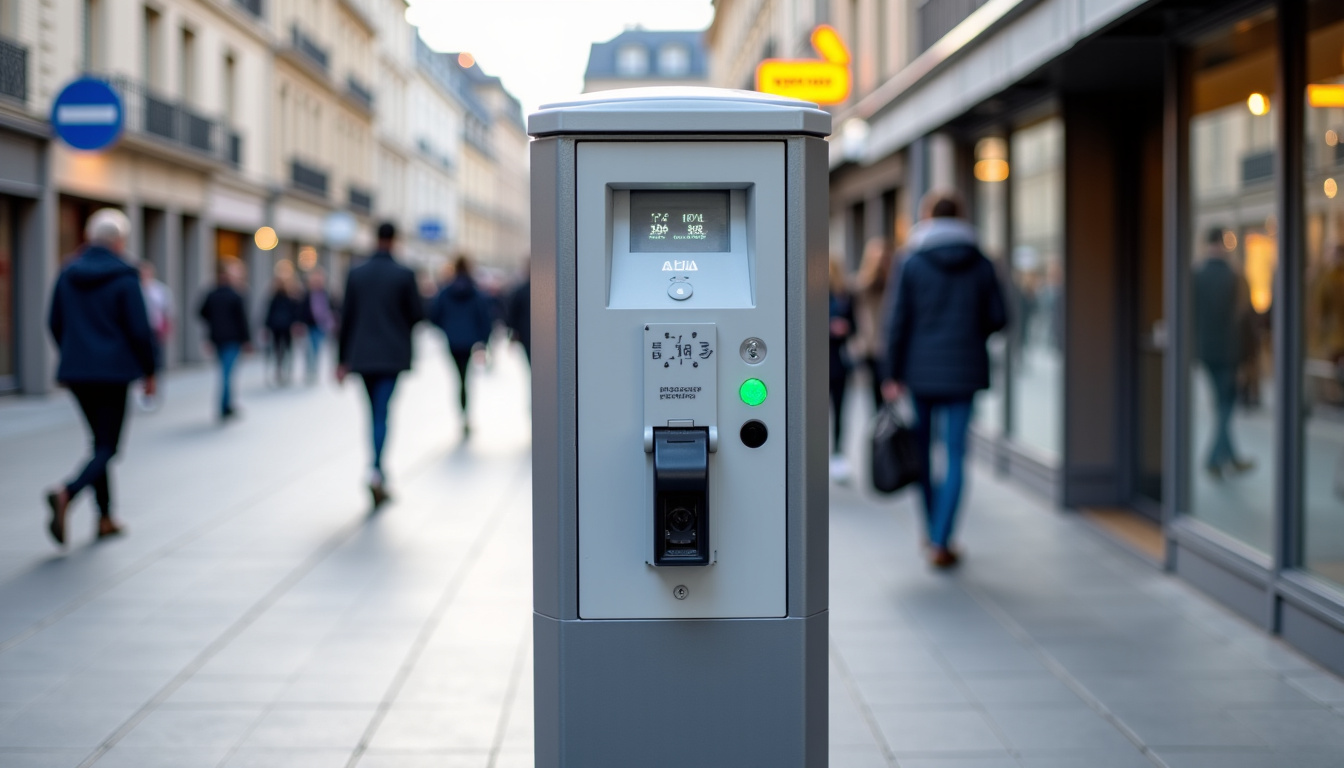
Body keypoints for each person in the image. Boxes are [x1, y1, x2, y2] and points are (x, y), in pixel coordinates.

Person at [882, 191, 1007, 569]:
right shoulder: (982, 262)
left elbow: (897, 321)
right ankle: (942, 538)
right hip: (964, 370)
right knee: (955, 454)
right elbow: (999, 317)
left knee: (922, 454)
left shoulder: (912, 261)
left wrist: (891, 374)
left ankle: (932, 531)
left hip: (919, 373)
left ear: (927, 217)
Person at [44, 208, 158, 545]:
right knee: (108, 447)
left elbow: (54, 322)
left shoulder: (68, 273)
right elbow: (140, 330)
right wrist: (149, 371)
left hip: (77, 373)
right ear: (119, 241)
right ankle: (68, 492)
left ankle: (105, 517)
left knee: (98, 444)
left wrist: (74, 353)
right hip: (114, 373)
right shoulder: (125, 276)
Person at [338, 222, 424, 507]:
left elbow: (345, 319)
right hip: (391, 354)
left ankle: (375, 468)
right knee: (382, 412)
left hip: (362, 355)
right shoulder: (404, 274)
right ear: (395, 239)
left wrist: (341, 360)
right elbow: (417, 314)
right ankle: (377, 470)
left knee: (372, 412)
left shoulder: (356, 273)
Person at [1193, 227, 1255, 480]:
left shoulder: (1196, 275)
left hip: (1206, 350)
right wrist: (1247, 356)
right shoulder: (1234, 276)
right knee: (1226, 405)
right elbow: (1243, 318)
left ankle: (1228, 457)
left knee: (1222, 403)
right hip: (1229, 351)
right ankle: (1213, 458)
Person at [430, 255, 494, 437]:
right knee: (466, 378)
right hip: (469, 341)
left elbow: (434, 315)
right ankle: (465, 414)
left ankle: (462, 413)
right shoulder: (475, 291)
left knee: (459, 378)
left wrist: (447, 328)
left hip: (453, 341)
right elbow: (484, 317)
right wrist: (483, 341)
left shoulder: (445, 291)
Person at [198, 260, 252, 420]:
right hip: (232, 339)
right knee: (227, 374)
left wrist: (213, 326)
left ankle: (226, 404)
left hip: (217, 338)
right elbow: (243, 320)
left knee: (224, 372)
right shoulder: (235, 295)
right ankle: (224, 406)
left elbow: (201, 313)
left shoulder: (212, 294)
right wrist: (247, 340)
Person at [852, 237, 892, 410]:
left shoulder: (895, 281)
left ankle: (888, 429)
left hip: (889, 343)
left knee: (890, 393)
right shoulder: (861, 283)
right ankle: (880, 429)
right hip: (870, 345)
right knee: (874, 395)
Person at [828, 257, 856, 482]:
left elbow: (854, 326)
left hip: (838, 362)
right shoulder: (814, 295)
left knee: (839, 412)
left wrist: (845, 328)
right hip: (821, 363)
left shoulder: (844, 297)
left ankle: (837, 455)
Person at [264, 269, 302, 386]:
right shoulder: (274, 296)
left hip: (286, 327)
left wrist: (296, 323)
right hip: (277, 327)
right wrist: (266, 327)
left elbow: (296, 312)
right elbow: (269, 312)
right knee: (278, 350)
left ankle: (286, 370)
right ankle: (280, 370)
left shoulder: (292, 297)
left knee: (286, 349)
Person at [300, 268, 338, 384]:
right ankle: (311, 370)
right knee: (310, 349)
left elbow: (334, 308)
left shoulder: (327, 293)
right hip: (311, 325)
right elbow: (302, 310)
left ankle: (314, 370)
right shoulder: (307, 294)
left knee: (318, 348)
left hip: (324, 325)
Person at [504, 264, 531, 364]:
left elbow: (513, 313)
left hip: (526, 333)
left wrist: (513, 331)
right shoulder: (523, 291)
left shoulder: (521, 290)